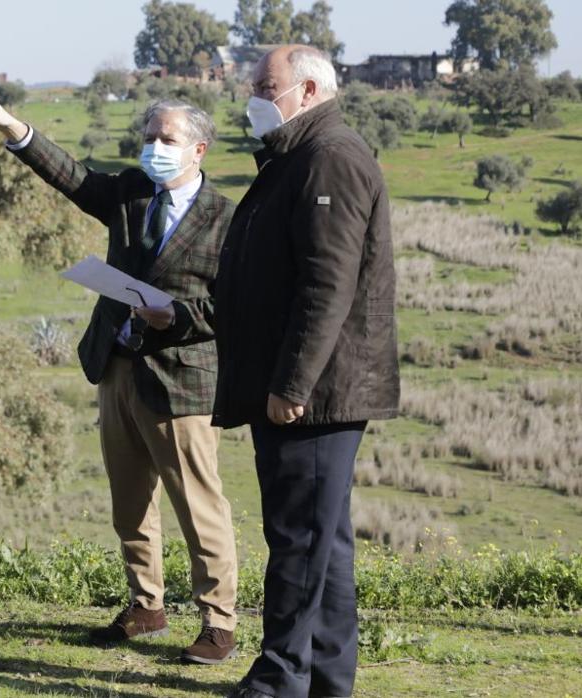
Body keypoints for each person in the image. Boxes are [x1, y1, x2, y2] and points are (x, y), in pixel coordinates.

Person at [0, 84, 240, 664]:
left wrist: (177, 316)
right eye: (148, 137)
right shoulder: (132, 193)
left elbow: (234, 308)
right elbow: (75, 178)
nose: (153, 148)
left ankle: (218, 622)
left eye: (167, 139)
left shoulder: (226, 220)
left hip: (181, 379)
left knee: (199, 507)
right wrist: (13, 128)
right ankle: (147, 606)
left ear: (200, 150)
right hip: (117, 367)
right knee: (129, 502)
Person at [215, 45, 399, 698]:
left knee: (295, 539)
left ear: (311, 89)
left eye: (266, 85)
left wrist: (291, 385)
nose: (253, 95)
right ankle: (324, 678)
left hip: (315, 394)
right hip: (307, 388)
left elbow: (327, 286)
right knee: (325, 543)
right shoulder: (297, 155)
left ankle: (277, 681)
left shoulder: (330, 157)